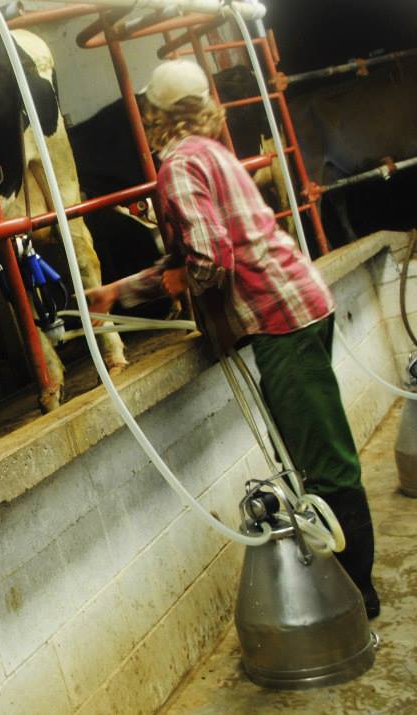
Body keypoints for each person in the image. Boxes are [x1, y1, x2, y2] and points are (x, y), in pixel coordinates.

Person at [86, 59, 380, 618]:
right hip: (301, 301)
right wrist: (117, 295)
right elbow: (199, 255)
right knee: (315, 449)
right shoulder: (213, 151)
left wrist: (192, 289)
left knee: (324, 459)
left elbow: (209, 258)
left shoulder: (176, 165)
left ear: (154, 115)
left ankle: (358, 601)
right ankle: (353, 589)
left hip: (278, 318)